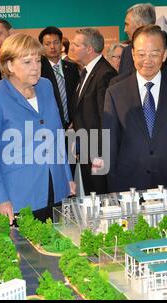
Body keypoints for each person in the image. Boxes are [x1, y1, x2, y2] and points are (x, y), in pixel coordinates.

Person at [0, 33, 75, 224]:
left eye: (38, 61)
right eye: (27, 62)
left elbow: (56, 136)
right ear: (9, 65)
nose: (35, 67)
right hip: (19, 192)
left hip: (55, 185)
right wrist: (0, 198)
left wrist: (67, 177)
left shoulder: (46, 86)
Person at [104, 25, 167, 197]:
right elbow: (109, 144)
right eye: (141, 54)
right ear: (132, 54)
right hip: (129, 185)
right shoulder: (115, 92)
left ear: (164, 55)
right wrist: (112, 187)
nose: (147, 60)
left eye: (154, 54)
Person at [70, 28, 117, 194]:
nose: (72, 47)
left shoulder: (105, 74)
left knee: (101, 196)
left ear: (89, 49)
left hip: (98, 152)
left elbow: (106, 118)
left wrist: (100, 155)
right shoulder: (86, 72)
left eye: (76, 45)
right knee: (92, 195)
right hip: (85, 148)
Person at [119, 3, 167, 75]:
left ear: (140, 24)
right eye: (141, 54)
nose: (125, 30)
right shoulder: (127, 51)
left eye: (127, 24)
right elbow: (122, 81)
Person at [38, 26, 80, 129]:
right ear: (42, 46)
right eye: (47, 44)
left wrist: (75, 120)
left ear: (61, 44)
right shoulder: (38, 70)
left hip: (73, 127)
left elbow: (77, 97)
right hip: (48, 127)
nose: (52, 47)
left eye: (56, 42)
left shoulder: (72, 68)